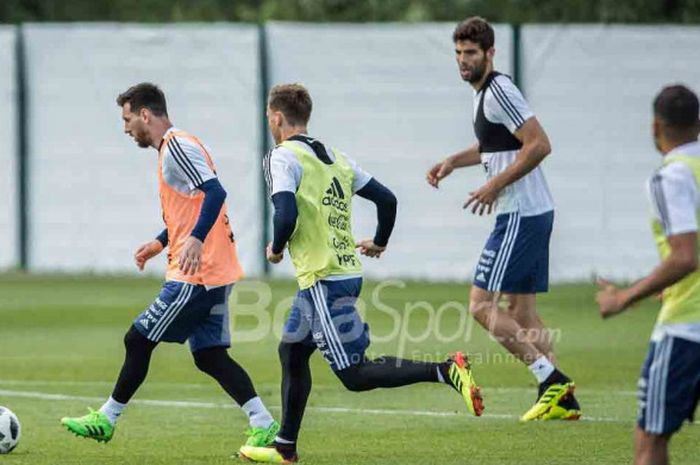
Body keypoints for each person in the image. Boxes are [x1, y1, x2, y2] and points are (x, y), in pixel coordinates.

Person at [239, 83, 483, 464]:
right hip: (341, 271)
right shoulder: (336, 157)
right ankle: (285, 447)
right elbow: (387, 199)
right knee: (291, 350)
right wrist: (380, 242)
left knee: (354, 374)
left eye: (269, 118)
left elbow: (284, 213)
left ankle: (446, 370)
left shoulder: (281, 157)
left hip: (324, 277)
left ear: (276, 117)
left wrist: (276, 248)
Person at [60, 82, 279, 451]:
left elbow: (215, 192)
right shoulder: (175, 147)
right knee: (209, 356)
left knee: (137, 339)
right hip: (211, 269)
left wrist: (193, 239)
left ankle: (107, 418)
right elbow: (194, 202)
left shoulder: (176, 146)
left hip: (197, 273)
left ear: (145, 114)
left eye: (128, 119)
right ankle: (264, 422)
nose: (126, 128)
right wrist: (161, 241)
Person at [426, 17, 580, 421]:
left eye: (471, 54)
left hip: (520, 214)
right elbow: (493, 145)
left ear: (490, 54)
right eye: (458, 54)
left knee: (480, 305)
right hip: (532, 212)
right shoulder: (482, 94)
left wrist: (494, 187)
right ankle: (562, 400)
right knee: (522, 312)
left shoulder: (498, 90)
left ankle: (551, 379)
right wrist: (452, 162)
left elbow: (539, 144)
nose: (463, 61)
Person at [597, 84, 700, 465]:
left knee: (650, 440)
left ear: (655, 127)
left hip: (687, 329)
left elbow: (685, 257)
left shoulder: (670, 177)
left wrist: (624, 298)